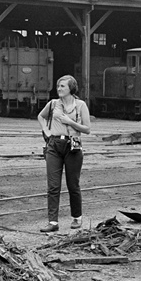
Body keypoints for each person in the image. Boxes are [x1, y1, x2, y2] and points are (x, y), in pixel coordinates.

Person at [37, 75, 91, 232]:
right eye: (58, 86)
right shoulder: (53, 104)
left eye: (62, 86)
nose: (59, 89)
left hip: (72, 146)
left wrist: (69, 122)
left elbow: (87, 129)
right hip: (54, 145)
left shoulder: (80, 105)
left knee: (73, 185)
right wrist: (46, 130)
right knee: (53, 186)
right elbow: (41, 116)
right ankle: (53, 222)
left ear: (71, 89)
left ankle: (77, 217)